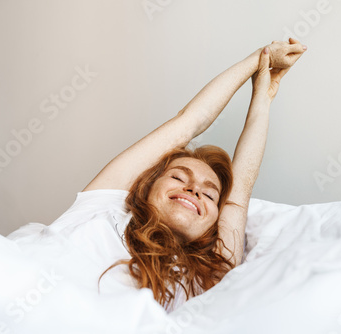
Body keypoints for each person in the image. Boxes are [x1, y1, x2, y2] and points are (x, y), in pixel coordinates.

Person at [84, 38, 307, 312]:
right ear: (146, 186)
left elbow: (241, 188)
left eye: (210, 194)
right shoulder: (101, 208)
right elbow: (187, 123)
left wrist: (263, 97)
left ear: (215, 222)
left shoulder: (206, 278)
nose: (194, 190)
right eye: (178, 177)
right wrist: (258, 59)